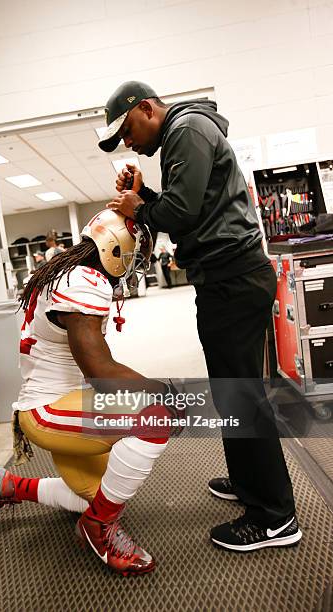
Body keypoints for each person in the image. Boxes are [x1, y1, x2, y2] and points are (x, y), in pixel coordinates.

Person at [99, 80, 301, 552]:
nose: (128, 143)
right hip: (225, 279)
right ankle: (250, 482)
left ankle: (275, 517)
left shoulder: (186, 129)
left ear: (146, 108)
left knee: (244, 396)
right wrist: (145, 194)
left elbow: (184, 213)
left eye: (127, 131)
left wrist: (139, 206)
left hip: (232, 277)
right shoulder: (184, 133)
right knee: (232, 392)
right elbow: (193, 205)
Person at [0, 209, 178, 576]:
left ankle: (6, 485)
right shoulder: (83, 281)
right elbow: (100, 371)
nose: (136, 262)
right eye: (134, 253)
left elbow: (100, 363)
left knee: (102, 496)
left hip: (62, 401)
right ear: (116, 249)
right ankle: (98, 529)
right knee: (154, 416)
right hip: (48, 408)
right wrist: (162, 392)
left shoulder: (70, 271)